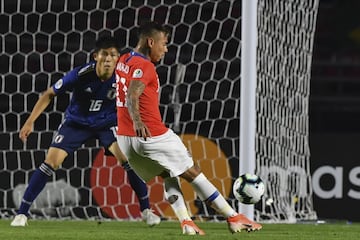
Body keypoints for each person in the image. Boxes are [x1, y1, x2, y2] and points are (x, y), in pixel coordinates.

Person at [115, 21, 262, 235]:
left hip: (125, 139)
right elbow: (132, 95)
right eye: (163, 44)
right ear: (150, 42)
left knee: (168, 173)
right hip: (150, 133)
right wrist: (138, 121)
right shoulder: (145, 66)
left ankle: (186, 222)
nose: (165, 49)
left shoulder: (124, 59)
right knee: (193, 172)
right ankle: (233, 216)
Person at [10, 36, 161, 227]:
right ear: (95, 56)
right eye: (104, 54)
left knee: (128, 158)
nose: (108, 59)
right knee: (51, 162)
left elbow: (137, 97)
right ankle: (21, 214)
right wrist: (30, 122)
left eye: (113, 55)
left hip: (107, 123)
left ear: (118, 58)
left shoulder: (124, 76)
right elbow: (49, 94)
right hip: (77, 123)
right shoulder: (80, 74)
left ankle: (147, 211)